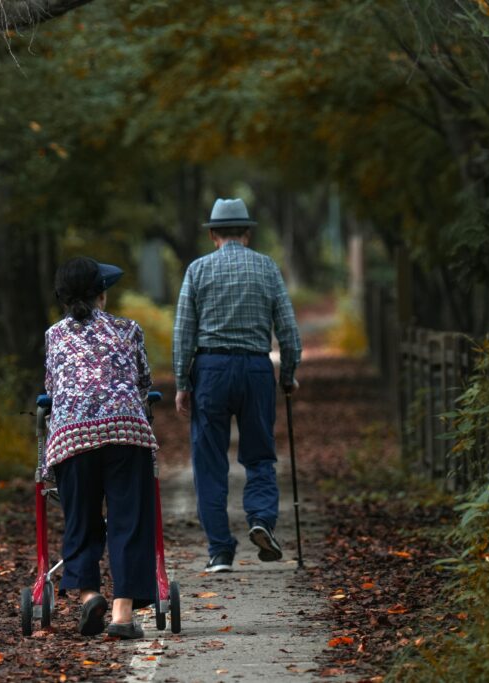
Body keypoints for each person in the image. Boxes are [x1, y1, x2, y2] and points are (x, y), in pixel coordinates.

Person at [172, 197, 302, 573]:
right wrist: (289, 373)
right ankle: (261, 517)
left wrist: (183, 382)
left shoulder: (197, 270)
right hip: (256, 369)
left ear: (213, 234)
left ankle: (219, 552)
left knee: (209, 461)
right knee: (259, 453)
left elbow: (184, 332)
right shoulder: (267, 268)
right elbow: (289, 331)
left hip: (210, 368)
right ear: (247, 233)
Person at [43, 256, 159, 640]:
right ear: (102, 295)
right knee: (129, 518)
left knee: (81, 518)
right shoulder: (129, 329)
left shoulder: (54, 335)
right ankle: (123, 614)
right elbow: (143, 383)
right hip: (125, 432)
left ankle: (90, 593)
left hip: (72, 437)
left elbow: (54, 389)